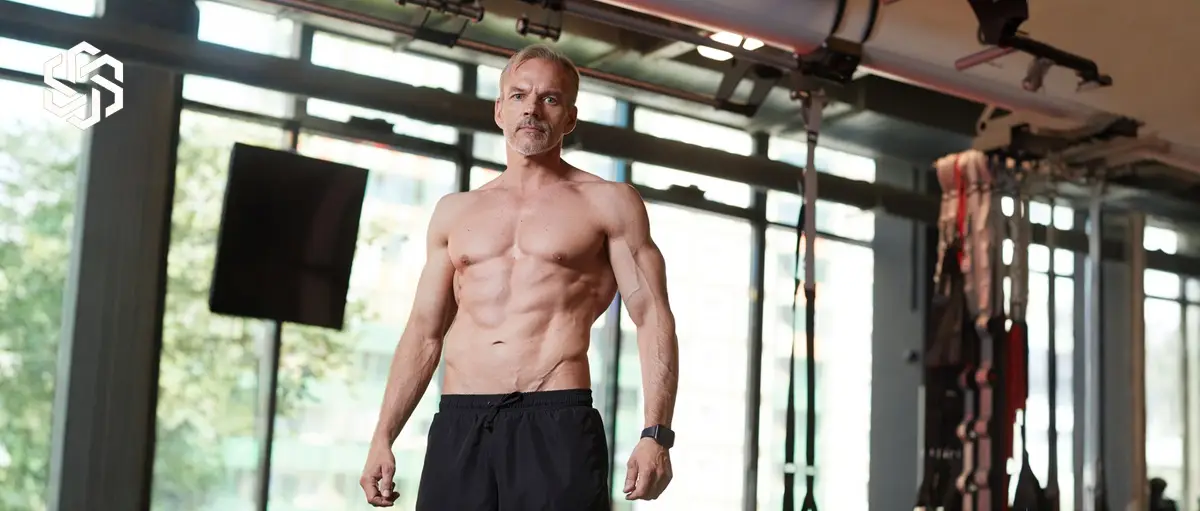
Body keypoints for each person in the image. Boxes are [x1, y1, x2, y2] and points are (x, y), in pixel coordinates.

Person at [359, 42, 680, 510]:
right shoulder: (455, 212)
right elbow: (424, 332)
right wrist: (383, 435)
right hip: (459, 424)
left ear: (569, 118)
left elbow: (653, 316)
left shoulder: (608, 202)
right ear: (499, 110)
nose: (532, 107)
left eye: (550, 98)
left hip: (556, 420)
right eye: (519, 95)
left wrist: (657, 434)